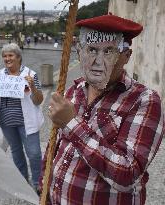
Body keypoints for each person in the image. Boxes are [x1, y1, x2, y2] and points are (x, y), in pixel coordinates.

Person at [40, 14, 164, 205]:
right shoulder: (74, 90)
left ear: (126, 56)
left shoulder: (143, 100)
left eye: (108, 51)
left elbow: (127, 173)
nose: (97, 61)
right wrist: (45, 186)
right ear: (80, 52)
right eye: (91, 50)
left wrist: (72, 123)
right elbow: (54, 146)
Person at [0, 43, 44, 192]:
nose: (7, 59)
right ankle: (23, 181)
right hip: (6, 121)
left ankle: (38, 182)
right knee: (16, 151)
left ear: (19, 57)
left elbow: (38, 101)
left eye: (10, 55)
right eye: (4, 56)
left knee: (33, 153)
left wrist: (32, 87)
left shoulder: (30, 75)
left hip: (27, 122)